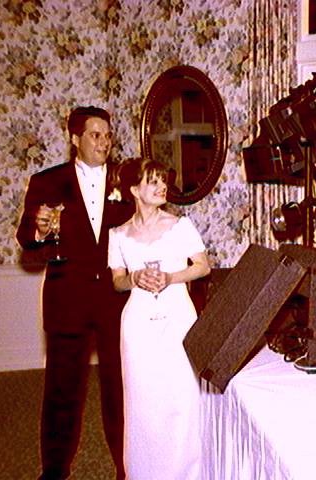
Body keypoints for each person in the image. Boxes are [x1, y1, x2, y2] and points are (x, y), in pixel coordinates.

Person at [16, 106, 133, 479]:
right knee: (61, 391)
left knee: (120, 389)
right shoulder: (48, 182)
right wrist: (39, 229)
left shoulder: (126, 181)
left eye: (108, 135)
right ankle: (54, 470)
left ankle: (127, 467)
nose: (104, 142)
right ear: (75, 139)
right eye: (95, 135)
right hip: (67, 299)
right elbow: (26, 238)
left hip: (115, 300)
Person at [107, 157, 211, 479]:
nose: (162, 186)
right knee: (143, 402)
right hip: (138, 324)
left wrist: (170, 278)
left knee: (181, 398)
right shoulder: (118, 234)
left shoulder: (180, 226)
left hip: (178, 318)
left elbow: (203, 267)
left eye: (163, 180)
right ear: (134, 190)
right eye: (153, 181)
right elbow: (117, 281)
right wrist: (135, 277)